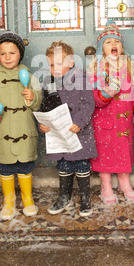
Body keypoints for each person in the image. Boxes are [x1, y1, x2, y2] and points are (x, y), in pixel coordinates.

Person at [0, 32, 42, 221]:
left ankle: (27, 198)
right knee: (5, 167)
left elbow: (39, 99)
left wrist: (33, 97)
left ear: (20, 54)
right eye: (2, 53)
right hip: (3, 132)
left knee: (25, 165)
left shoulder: (29, 77)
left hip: (24, 129)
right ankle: (9, 199)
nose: (7, 57)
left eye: (12, 53)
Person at [87, 21, 134, 205]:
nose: (113, 45)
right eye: (108, 42)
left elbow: (133, 95)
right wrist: (106, 94)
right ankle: (106, 186)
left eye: (117, 42)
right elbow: (94, 100)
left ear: (122, 47)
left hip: (123, 123)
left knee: (123, 152)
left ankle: (124, 184)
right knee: (104, 154)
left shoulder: (127, 69)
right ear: (101, 49)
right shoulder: (96, 70)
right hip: (103, 122)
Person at [38, 41, 97, 217]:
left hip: (77, 132)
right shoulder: (48, 84)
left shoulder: (81, 79)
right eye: (51, 65)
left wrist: (79, 122)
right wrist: (43, 123)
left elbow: (88, 104)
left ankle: (85, 198)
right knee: (63, 165)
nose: (54, 68)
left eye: (58, 63)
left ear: (71, 62)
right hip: (58, 134)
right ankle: (64, 196)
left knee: (81, 164)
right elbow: (44, 107)